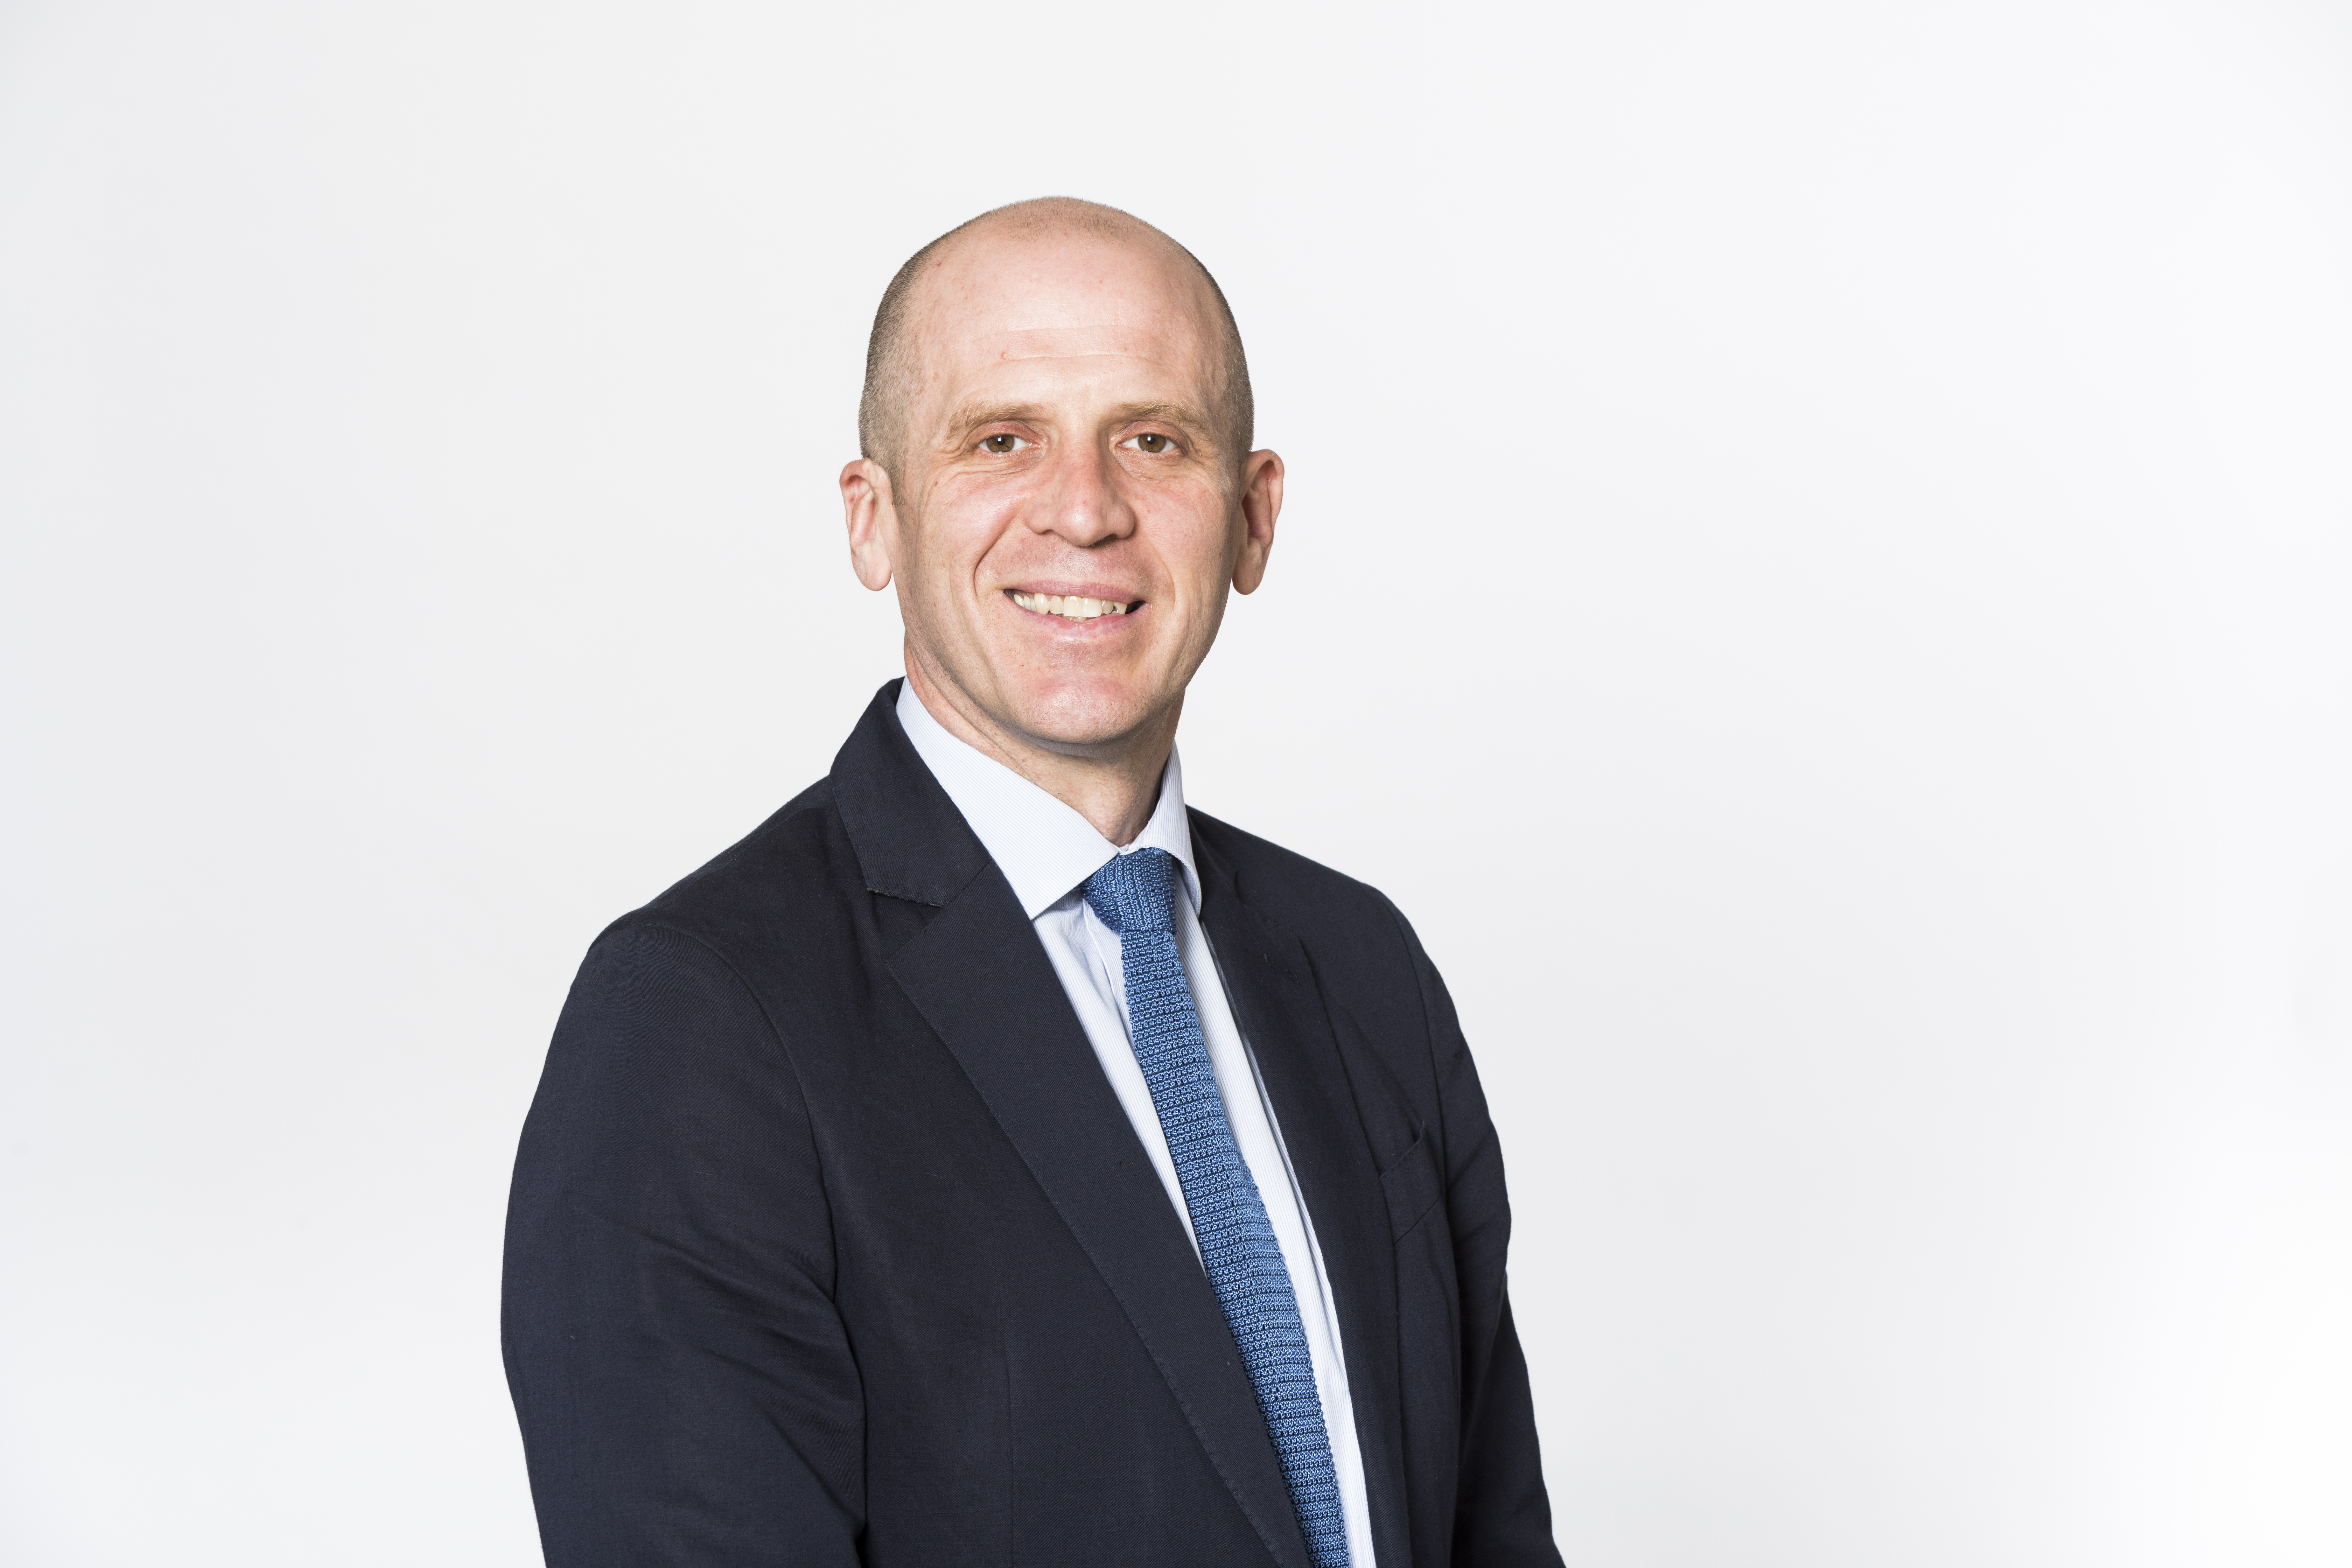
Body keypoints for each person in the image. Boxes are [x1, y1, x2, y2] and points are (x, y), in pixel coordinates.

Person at [501, 197, 1562, 1568]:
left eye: (1154, 440)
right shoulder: (702, 1020)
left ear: (1253, 518)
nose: (1084, 509)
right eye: (1001, 440)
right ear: (873, 518)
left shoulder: (1361, 970)